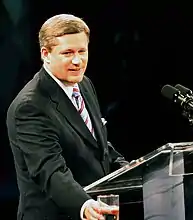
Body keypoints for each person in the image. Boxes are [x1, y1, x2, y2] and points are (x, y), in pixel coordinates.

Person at [6, 13, 128, 220]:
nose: (77, 60)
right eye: (68, 52)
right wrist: (84, 205)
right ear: (46, 54)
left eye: (82, 51)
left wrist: (132, 170)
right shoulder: (30, 107)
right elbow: (50, 170)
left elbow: (96, 144)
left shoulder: (84, 84)